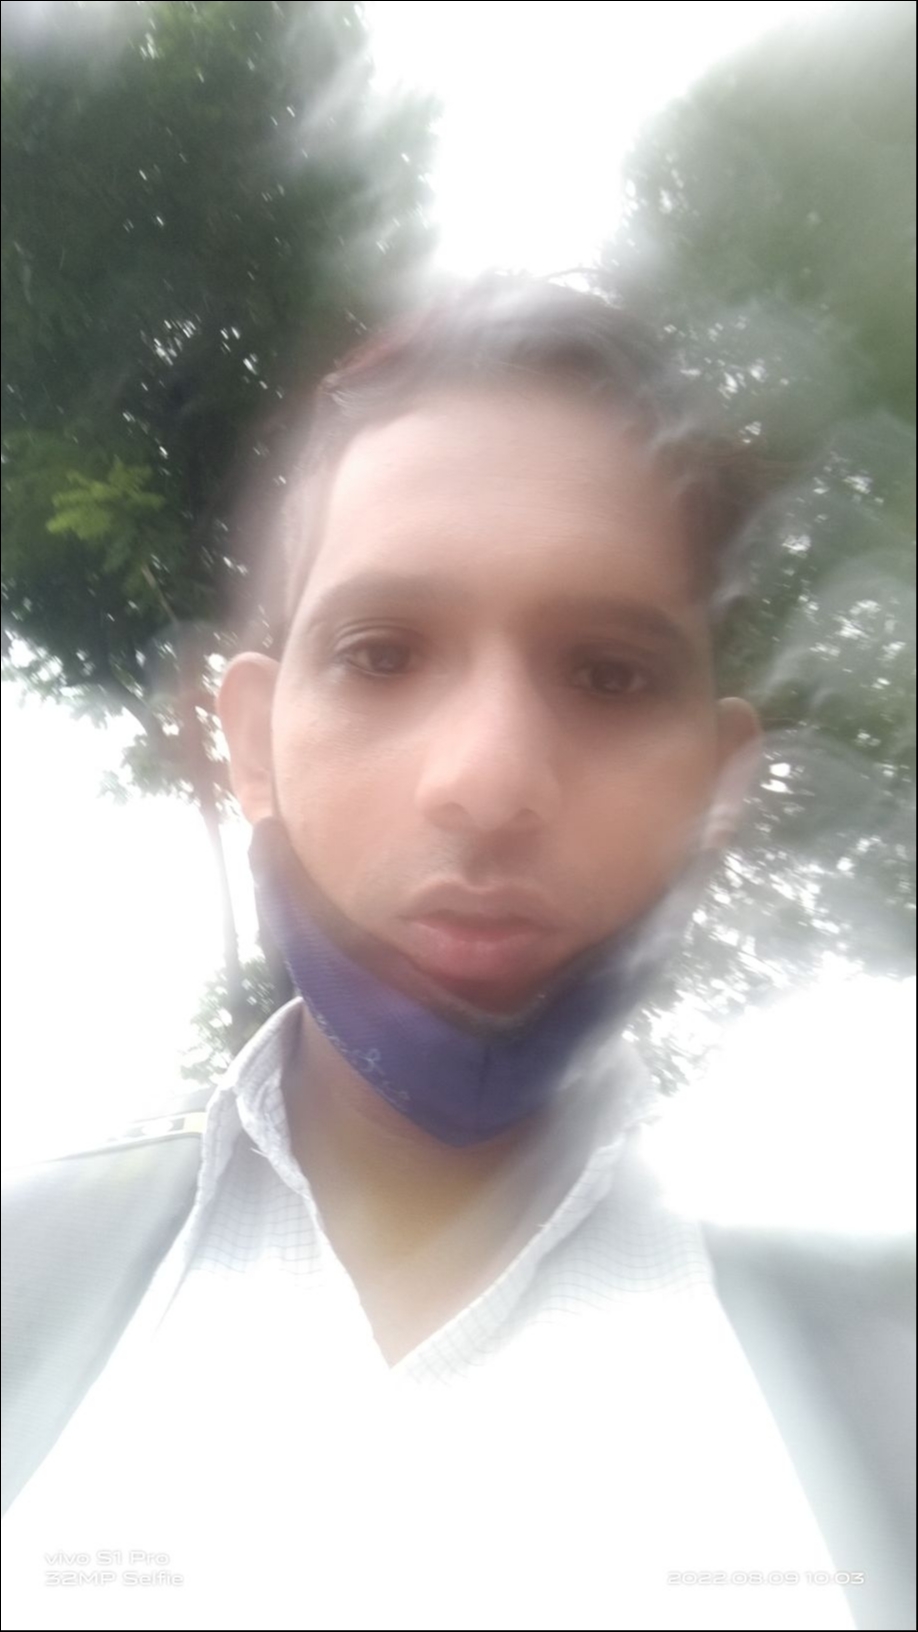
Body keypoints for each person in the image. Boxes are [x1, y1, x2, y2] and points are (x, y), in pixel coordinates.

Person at [1, 279, 905, 1631]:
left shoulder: (882, 1377)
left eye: (608, 673)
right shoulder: (23, 1285)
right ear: (249, 745)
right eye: (380, 655)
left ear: (716, 786)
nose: (486, 782)